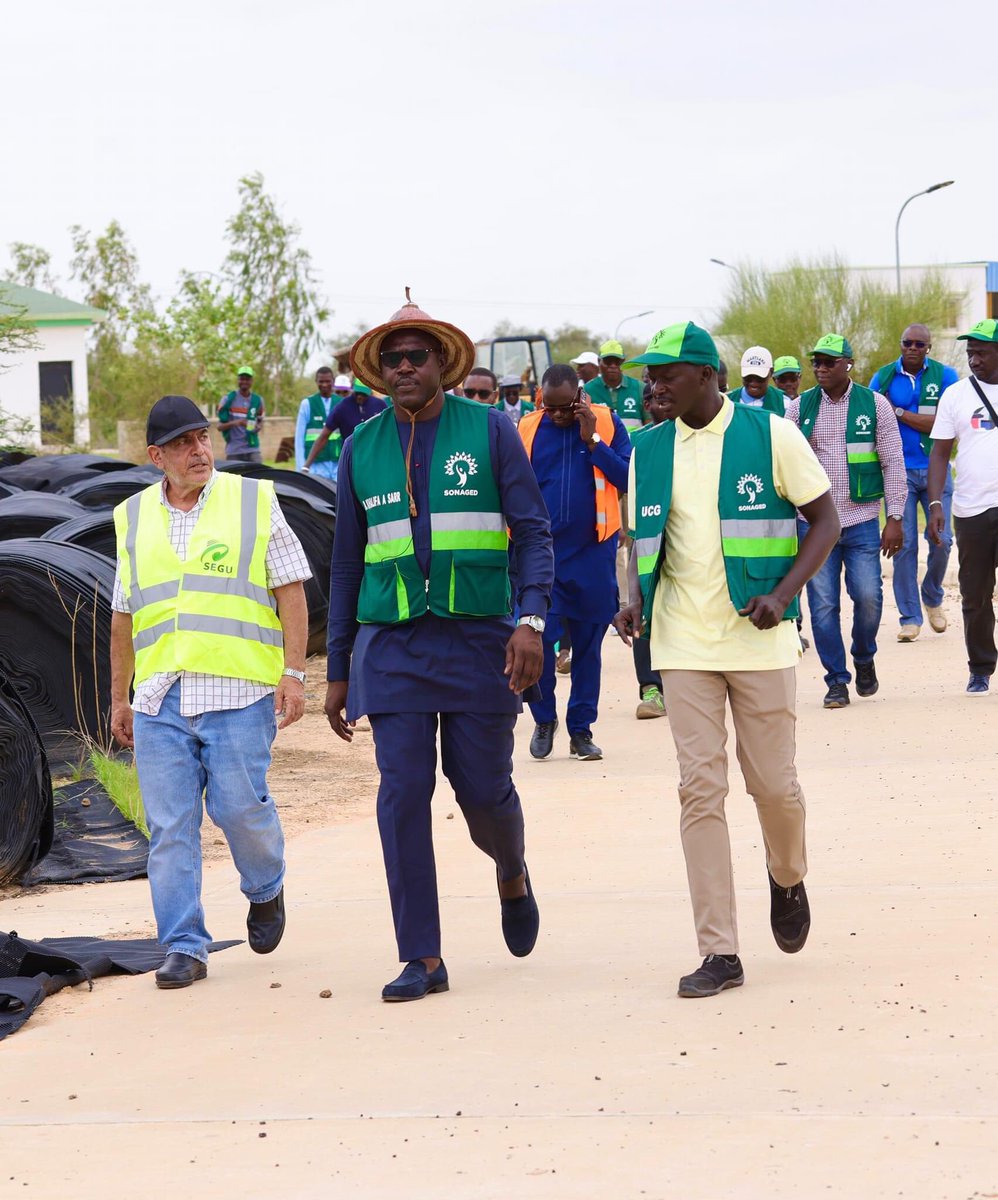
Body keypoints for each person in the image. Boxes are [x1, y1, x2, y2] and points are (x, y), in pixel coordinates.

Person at [324, 291, 553, 1002]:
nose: (401, 367)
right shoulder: (360, 449)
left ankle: (510, 868)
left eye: (414, 355)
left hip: (481, 640)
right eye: (390, 359)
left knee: (481, 791)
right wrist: (338, 668)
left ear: (442, 365)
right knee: (402, 793)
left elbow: (534, 532)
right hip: (392, 645)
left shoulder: (489, 432)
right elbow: (345, 562)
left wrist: (531, 621)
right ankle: (422, 956)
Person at [613, 322, 839, 999]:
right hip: (681, 645)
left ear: (707, 376)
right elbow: (635, 536)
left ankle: (787, 873)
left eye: (666, 374)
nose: (652, 385)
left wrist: (784, 593)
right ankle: (719, 950)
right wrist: (631, 598)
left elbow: (824, 520)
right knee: (698, 789)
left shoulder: (770, 434)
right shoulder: (647, 449)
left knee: (774, 786)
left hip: (759, 640)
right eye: (650, 375)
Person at [109, 395, 311, 989]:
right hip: (159, 700)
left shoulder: (253, 501)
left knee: (239, 809)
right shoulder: (134, 516)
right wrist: (120, 697)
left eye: (203, 438)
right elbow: (123, 614)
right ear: (156, 456)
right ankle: (184, 946)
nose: (199, 450)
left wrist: (294, 673)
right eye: (182, 443)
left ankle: (265, 887)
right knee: (170, 827)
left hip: (238, 692)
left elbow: (291, 589)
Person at [785, 334, 906, 708]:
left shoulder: (876, 405)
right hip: (814, 525)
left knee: (869, 598)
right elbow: (784, 464)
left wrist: (896, 516)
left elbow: (892, 461)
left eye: (828, 362)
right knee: (822, 606)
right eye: (816, 362)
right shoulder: (798, 408)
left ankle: (864, 655)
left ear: (847, 364)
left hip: (862, 520)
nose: (820, 368)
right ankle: (836, 680)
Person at [519, 364, 632, 761]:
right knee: (537, 645)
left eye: (565, 407)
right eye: (550, 408)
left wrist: (593, 441)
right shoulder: (528, 427)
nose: (558, 416)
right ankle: (543, 719)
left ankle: (581, 730)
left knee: (587, 649)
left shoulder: (606, 422)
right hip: (541, 559)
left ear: (580, 395)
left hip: (592, 555)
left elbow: (628, 478)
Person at [870, 325, 960, 642]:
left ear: (928, 348)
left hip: (935, 468)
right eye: (907, 342)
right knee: (903, 544)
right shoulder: (882, 378)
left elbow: (942, 422)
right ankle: (910, 617)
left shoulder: (946, 377)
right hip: (898, 471)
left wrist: (896, 411)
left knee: (942, 539)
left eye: (919, 344)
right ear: (900, 344)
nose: (912, 348)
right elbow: (872, 421)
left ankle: (932, 596)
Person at [927, 319, 998, 694]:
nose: (974, 359)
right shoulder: (955, 395)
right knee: (975, 593)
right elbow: (940, 454)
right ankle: (981, 668)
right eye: (970, 352)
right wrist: (936, 501)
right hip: (971, 509)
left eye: (982, 352)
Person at [629, 387, 668, 719]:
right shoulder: (638, 444)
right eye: (655, 399)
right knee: (643, 611)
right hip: (647, 540)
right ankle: (650, 690)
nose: (661, 404)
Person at [303, 380, 388, 471]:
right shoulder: (342, 407)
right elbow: (324, 436)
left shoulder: (380, 405)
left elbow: (390, 432)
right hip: (351, 461)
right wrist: (306, 465)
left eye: (363, 394)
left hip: (376, 459)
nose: (359, 397)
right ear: (353, 390)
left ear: (370, 392)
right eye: (357, 393)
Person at [584, 339, 645, 434]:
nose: (613, 366)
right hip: (600, 446)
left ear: (624, 362)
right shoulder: (587, 390)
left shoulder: (640, 388)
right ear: (599, 361)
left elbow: (650, 425)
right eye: (608, 362)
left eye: (617, 362)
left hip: (634, 446)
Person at [295, 368, 345, 481]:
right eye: (321, 381)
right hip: (315, 465)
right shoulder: (307, 404)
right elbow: (299, 438)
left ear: (333, 381)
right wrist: (301, 468)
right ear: (316, 381)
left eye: (328, 381)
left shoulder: (341, 403)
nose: (324, 384)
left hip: (337, 462)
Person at [217, 367, 265, 464]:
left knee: (260, 477)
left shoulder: (258, 400)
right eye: (242, 379)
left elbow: (260, 421)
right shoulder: (228, 399)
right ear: (238, 380)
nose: (244, 381)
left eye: (247, 379)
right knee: (233, 479)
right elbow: (219, 427)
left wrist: (257, 427)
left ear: (251, 381)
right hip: (234, 450)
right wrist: (238, 422)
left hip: (252, 449)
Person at [729, 347, 787, 413]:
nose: (753, 383)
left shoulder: (784, 403)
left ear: (771, 372)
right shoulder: (727, 401)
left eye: (760, 378)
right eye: (748, 377)